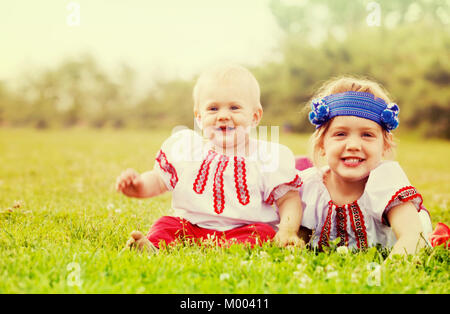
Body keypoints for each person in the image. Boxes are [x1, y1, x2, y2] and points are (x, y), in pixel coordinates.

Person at [116, 64, 304, 253]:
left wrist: (288, 231)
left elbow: (288, 199)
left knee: (263, 233)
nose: (223, 116)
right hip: (192, 228)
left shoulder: (266, 156)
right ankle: (152, 247)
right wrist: (139, 186)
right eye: (213, 108)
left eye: (234, 107)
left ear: (255, 116)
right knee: (166, 224)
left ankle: (231, 249)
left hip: (243, 230)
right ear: (199, 117)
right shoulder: (186, 149)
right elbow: (158, 180)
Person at [298, 76, 432, 258]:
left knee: (419, 225)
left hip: (400, 236)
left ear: (385, 144)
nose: (353, 145)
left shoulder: (385, 182)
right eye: (340, 134)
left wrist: (387, 273)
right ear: (322, 144)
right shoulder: (311, 185)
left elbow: (412, 236)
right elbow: (299, 238)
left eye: (367, 135)